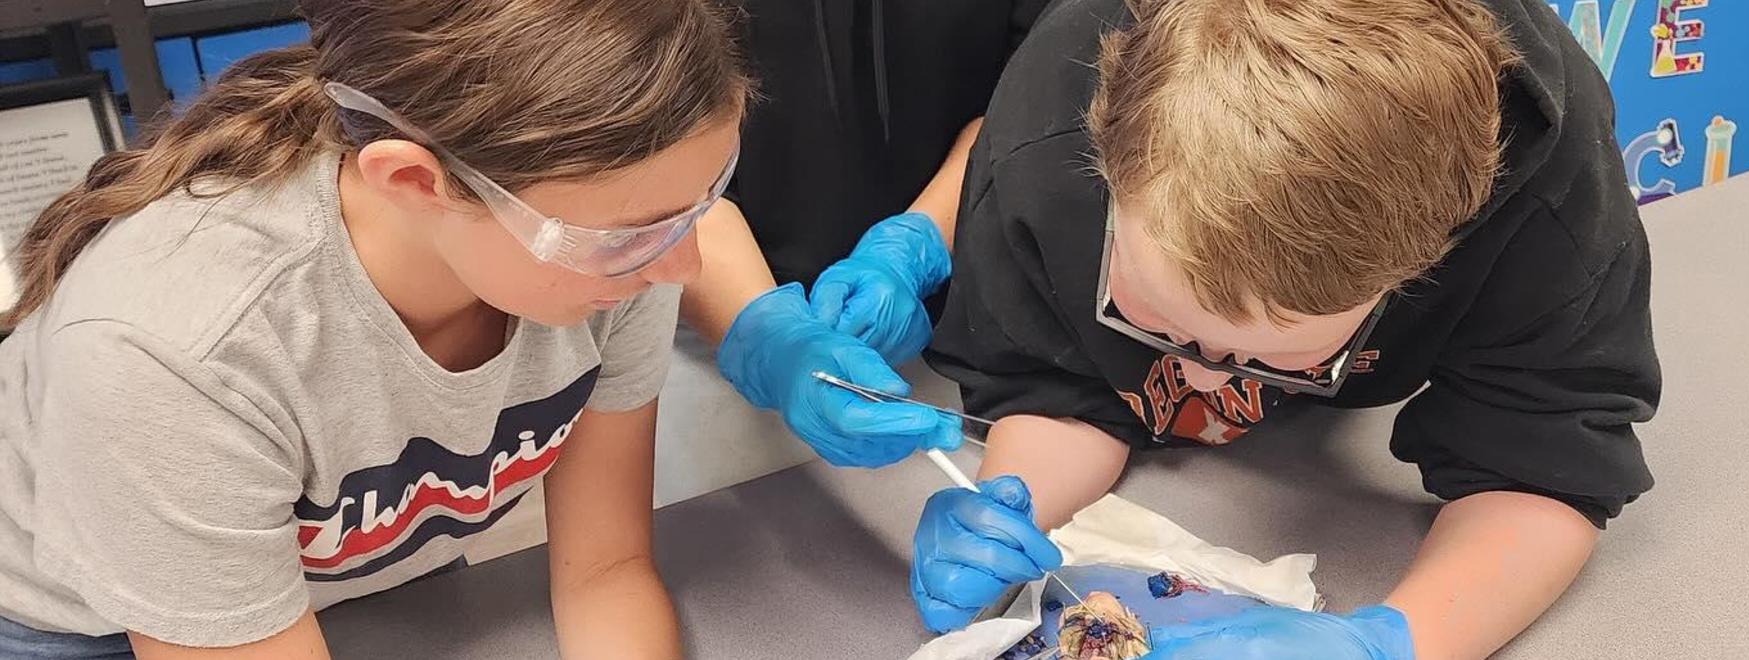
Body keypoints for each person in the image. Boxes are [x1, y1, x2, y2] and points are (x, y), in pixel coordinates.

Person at [909, 0, 1661, 657]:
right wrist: (1016, 500)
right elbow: (1063, 376)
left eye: (1282, 359)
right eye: (1153, 325)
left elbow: (1546, 453)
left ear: (1425, 268)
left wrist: (1398, 641)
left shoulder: (1548, 204)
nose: (1198, 386)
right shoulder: (1044, 132)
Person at [0, 1, 745, 657]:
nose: (682, 265)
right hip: (76, 622)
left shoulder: (612, 257)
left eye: (700, 200)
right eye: (631, 234)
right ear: (417, 183)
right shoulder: (177, 355)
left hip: (365, 564)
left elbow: (606, 571)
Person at [686, 0, 1049, 468]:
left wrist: (920, 242)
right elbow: (653, 170)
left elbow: (1036, 89)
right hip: (710, 317)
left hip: (974, 312)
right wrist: (771, 337)